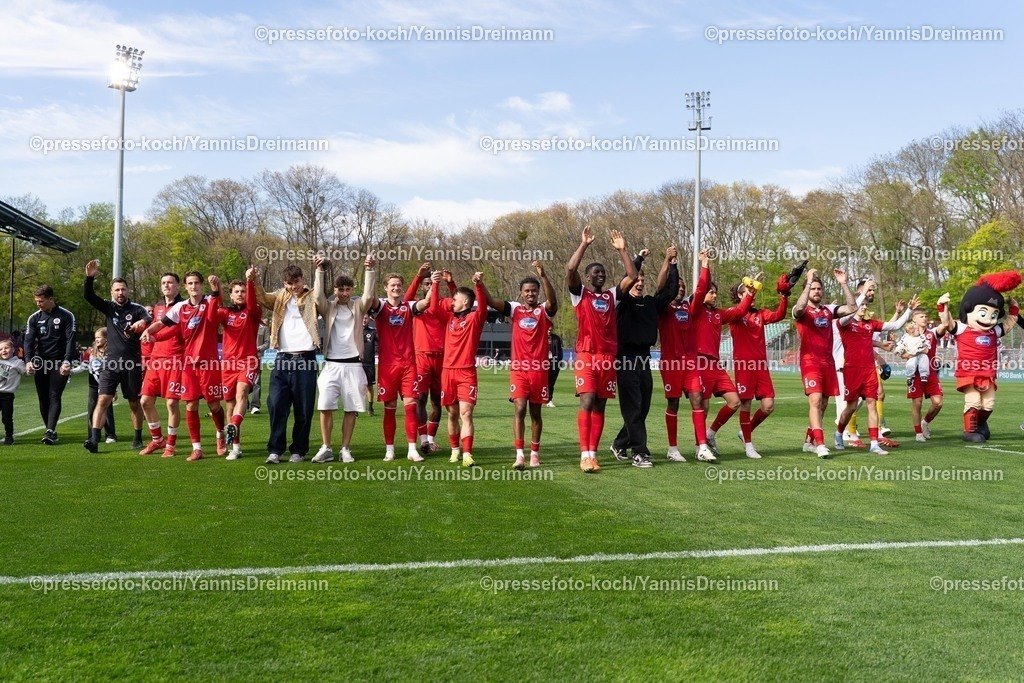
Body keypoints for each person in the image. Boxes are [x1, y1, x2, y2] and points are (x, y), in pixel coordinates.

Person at [565, 225, 638, 473]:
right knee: (587, 402)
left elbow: (632, 276)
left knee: (600, 406)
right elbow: (570, 269)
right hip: (586, 356)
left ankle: (593, 455)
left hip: (608, 359)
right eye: (595, 273)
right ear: (587, 278)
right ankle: (584, 455)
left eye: (603, 273)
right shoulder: (580, 294)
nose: (600, 276)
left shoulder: (611, 296)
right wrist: (584, 244)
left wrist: (623, 250)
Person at [140, 272, 226, 461]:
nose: (193, 286)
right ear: (185, 287)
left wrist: (216, 288)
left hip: (208, 362)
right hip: (188, 363)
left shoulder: (209, 302)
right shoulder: (181, 307)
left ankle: (221, 435)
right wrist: (148, 331)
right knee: (191, 404)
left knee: (213, 404)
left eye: (196, 283)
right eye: (190, 283)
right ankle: (197, 448)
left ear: (202, 285)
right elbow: (163, 324)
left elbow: (217, 300)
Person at [248, 258, 326, 463]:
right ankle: (275, 449)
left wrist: (321, 269)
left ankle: (299, 450)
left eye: (297, 282)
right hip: (282, 359)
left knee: (304, 408)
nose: (294, 287)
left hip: (306, 359)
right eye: (290, 284)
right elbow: (261, 297)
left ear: (303, 279)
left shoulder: (312, 297)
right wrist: (254, 280)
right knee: (275, 404)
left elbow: (321, 294)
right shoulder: (280, 297)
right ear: (284, 284)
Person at [483, 261, 558, 470]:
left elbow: (553, 301)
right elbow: (490, 301)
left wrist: (543, 275)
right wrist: (480, 285)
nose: (530, 294)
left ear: (537, 292)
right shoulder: (514, 309)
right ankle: (519, 455)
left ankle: (534, 453)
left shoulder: (544, 310)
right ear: (521, 293)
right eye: (527, 291)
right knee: (520, 409)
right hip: (518, 370)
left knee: (536, 413)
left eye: (534, 291)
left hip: (539, 370)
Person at [610, 247, 678, 468]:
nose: (639, 283)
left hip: (643, 359)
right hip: (625, 358)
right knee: (633, 407)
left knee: (643, 408)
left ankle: (620, 443)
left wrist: (673, 263)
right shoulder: (621, 303)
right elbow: (627, 278)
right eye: (636, 280)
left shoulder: (650, 303)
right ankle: (640, 452)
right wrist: (637, 259)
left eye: (642, 280)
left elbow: (670, 290)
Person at [312, 254, 377, 464]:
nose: (344, 293)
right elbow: (317, 297)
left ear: (351, 290)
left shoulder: (358, 306)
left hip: (354, 365)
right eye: (341, 290)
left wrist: (369, 269)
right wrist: (319, 271)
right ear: (336, 290)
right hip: (331, 365)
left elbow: (368, 296)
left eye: (348, 289)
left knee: (351, 410)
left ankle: (345, 449)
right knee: (324, 406)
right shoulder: (328, 307)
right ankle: (326, 447)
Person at [82, 261, 150, 453]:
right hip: (110, 363)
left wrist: (141, 323)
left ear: (128, 291)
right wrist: (89, 278)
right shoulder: (109, 307)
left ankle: (137, 437)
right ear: (112, 292)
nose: (120, 293)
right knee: (102, 399)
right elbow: (89, 296)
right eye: (117, 290)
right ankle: (94, 439)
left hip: (131, 363)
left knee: (134, 402)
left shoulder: (136, 309)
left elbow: (149, 319)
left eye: (123, 289)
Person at [792, 268, 858, 458]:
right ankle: (820, 444)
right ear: (807, 290)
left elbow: (852, 308)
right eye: (813, 288)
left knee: (823, 404)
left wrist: (844, 283)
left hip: (827, 363)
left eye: (819, 288)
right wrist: (807, 281)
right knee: (815, 400)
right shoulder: (801, 310)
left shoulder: (828, 310)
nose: (817, 292)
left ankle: (808, 442)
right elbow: (798, 309)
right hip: (809, 362)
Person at [367, 270, 433, 462]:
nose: (396, 288)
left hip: (408, 365)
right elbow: (369, 298)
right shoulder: (380, 307)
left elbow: (426, 303)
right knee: (390, 407)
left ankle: (412, 449)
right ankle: (390, 449)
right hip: (388, 366)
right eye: (392, 285)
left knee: (411, 407)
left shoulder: (409, 306)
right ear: (386, 288)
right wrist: (370, 270)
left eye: (398, 285)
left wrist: (434, 283)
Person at [835, 297, 915, 455]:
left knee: (873, 404)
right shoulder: (845, 323)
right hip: (852, 370)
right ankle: (838, 433)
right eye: (861, 305)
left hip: (869, 369)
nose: (864, 307)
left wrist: (909, 310)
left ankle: (873, 444)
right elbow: (846, 317)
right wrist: (860, 296)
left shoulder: (870, 324)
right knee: (851, 407)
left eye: (865, 305)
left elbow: (896, 325)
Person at [692, 271, 756, 461]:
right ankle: (700, 447)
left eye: (715, 293)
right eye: (710, 292)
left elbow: (739, 311)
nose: (714, 295)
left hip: (716, 365)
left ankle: (710, 435)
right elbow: (700, 290)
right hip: (700, 362)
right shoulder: (695, 310)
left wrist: (751, 293)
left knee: (735, 401)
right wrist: (705, 266)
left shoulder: (719, 314)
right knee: (703, 405)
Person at [728, 272, 791, 459]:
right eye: (746, 291)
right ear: (740, 296)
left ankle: (745, 432)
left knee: (769, 405)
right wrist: (751, 292)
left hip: (760, 366)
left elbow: (780, 315)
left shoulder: (761, 314)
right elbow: (742, 309)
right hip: (743, 365)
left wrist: (784, 295)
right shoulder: (734, 314)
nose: (751, 294)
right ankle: (748, 446)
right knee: (745, 404)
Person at [431, 271, 490, 467]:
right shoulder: (448, 318)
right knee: (452, 413)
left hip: (466, 372)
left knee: (466, 413)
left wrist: (479, 285)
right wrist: (437, 284)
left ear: (465, 302)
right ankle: (455, 450)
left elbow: (481, 305)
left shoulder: (475, 318)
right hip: (447, 371)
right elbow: (433, 307)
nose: (451, 302)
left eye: (455, 299)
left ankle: (467, 454)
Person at [657, 248, 710, 462]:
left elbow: (702, 289)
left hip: (691, 363)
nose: (680, 289)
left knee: (698, 399)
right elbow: (660, 287)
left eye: (683, 286)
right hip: (671, 364)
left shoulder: (690, 307)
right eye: (677, 286)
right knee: (674, 404)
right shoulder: (663, 307)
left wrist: (705, 263)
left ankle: (703, 447)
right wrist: (668, 261)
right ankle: (672, 448)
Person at [405, 263, 457, 453]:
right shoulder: (417, 305)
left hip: (443, 359)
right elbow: (405, 300)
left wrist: (451, 284)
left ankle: (432, 439)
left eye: (431, 283)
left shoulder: (444, 303)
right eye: (426, 283)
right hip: (421, 357)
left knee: (437, 401)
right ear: (422, 286)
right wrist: (418, 276)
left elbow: (461, 302)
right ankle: (424, 440)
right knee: (420, 398)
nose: (429, 286)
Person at [215, 269, 262, 460]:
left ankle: (233, 425)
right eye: (237, 291)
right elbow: (211, 318)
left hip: (248, 361)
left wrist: (250, 281)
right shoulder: (225, 313)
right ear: (231, 295)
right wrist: (215, 291)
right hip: (227, 365)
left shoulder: (254, 311)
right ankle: (235, 446)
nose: (241, 294)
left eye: (243, 291)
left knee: (242, 392)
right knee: (229, 405)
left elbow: (251, 306)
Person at [137, 273, 185, 456]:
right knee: (145, 401)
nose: (166, 285)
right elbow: (153, 326)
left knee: (172, 403)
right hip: (156, 360)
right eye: (163, 282)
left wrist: (154, 336)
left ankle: (171, 444)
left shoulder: (183, 306)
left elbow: (176, 329)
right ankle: (157, 440)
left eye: (170, 282)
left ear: (178, 286)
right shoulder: (157, 306)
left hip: (175, 359)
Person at [23, 284, 77, 445]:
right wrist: (28, 361)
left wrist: (67, 361)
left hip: (59, 362)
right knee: (43, 397)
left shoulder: (66, 316)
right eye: (36, 301)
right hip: (41, 362)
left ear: (51, 299)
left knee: (54, 394)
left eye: (41, 301)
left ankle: (50, 430)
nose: (38, 304)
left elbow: (70, 339)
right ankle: (50, 430)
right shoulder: (34, 318)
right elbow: (28, 341)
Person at [72, 329, 117, 443]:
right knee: (92, 408)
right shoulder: (90, 351)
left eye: (99, 337)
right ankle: (92, 435)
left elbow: (114, 370)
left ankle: (110, 434)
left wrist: (114, 389)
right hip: (93, 384)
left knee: (107, 408)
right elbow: (83, 366)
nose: (96, 340)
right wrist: (71, 371)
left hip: (107, 384)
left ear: (106, 338)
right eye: (95, 337)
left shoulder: (112, 351)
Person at [0, 338, 28, 444]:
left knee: (6, 417)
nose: (3, 351)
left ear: (12, 349)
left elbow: (26, 373)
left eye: (6, 348)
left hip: (7, 395)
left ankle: (9, 436)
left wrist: (30, 370)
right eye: (1, 349)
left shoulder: (18, 362)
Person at [249, 318, 269, 414]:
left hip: (258, 357)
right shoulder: (245, 323)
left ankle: (255, 406)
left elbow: (267, 343)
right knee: (242, 383)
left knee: (256, 383)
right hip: (244, 357)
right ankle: (244, 404)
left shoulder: (264, 327)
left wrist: (257, 348)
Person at [361, 315, 377, 416]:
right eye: (362, 317)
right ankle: (355, 409)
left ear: (369, 319)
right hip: (356, 364)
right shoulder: (354, 330)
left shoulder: (373, 331)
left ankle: (370, 408)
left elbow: (383, 339)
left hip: (369, 363)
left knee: (369, 386)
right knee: (356, 387)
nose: (364, 320)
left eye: (366, 318)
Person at [546, 330, 562, 408]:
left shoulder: (556, 338)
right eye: (547, 329)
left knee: (551, 383)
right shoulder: (539, 336)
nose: (549, 331)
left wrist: (558, 361)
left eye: (550, 330)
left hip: (553, 363)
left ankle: (549, 400)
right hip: (541, 363)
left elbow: (559, 351)